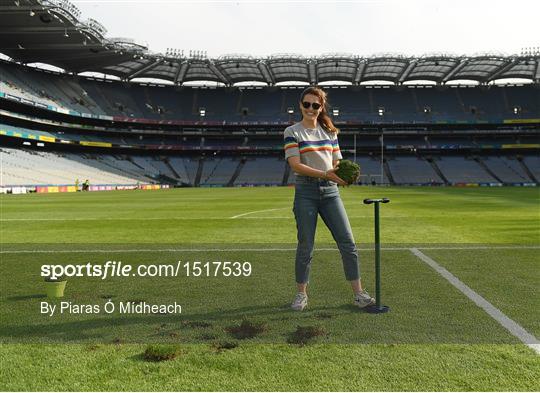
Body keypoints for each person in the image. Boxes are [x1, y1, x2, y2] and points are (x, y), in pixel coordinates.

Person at [284, 86, 374, 311]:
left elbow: (336, 163)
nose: (311, 109)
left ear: (321, 107)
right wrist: (326, 173)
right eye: (307, 104)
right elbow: (295, 165)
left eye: (316, 105)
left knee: (348, 243)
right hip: (305, 192)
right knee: (306, 245)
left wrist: (343, 173)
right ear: (300, 105)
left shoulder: (331, 132)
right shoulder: (292, 131)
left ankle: (358, 294)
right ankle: (301, 295)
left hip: (331, 192)